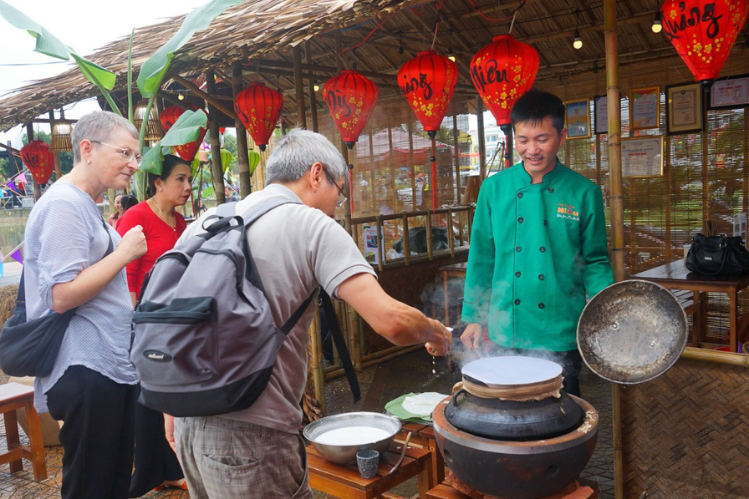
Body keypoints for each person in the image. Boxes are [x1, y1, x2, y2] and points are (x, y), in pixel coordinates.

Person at [168, 129, 453, 499]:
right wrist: (436, 331)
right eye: (339, 190)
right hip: (254, 434)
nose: (338, 204)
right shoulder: (311, 224)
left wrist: (170, 408)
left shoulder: (210, 221)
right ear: (316, 174)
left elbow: (173, 319)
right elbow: (392, 321)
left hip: (188, 422)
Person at [23, 110, 147, 499]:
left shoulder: (83, 203)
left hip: (104, 364)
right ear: (88, 149)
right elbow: (60, 296)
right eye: (125, 152)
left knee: (110, 481)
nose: (133, 164)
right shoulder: (64, 204)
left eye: (137, 155)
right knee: (92, 484)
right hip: (84, 364)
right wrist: (125, 252)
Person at [459, 89, 614, 397]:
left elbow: (595, 260)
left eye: (542, 139)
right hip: (507, 325)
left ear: (562, 135)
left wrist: (604, 311)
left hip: (560, 326)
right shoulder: (494, 189)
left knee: (562, 409)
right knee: (507, 409)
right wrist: (474, 318)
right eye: (523, 140)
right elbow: (482, 257)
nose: (532, 149)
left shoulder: (584, 192)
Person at [115, 154, 192, 496]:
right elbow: (124, 275)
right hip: (144, 323)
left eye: (188, 179)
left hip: (173, 322)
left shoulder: (181, 223)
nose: (187, 187)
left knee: (169, 398)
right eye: (180, 179)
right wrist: (136, 326)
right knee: (149, 400)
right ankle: (154, 472)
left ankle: (170, 469)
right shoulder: (136, 217)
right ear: (158, 183)